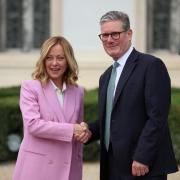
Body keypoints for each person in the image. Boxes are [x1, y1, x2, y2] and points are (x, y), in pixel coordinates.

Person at [77, 11, 178, 180]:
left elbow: (157, 117)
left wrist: (143, 156)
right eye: (105, 35)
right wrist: (90, 131)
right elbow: (112, 118)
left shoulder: (151, 66)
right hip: (113, 167)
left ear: (129, 34)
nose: (109, 39)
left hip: (143, 167)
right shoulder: (106, 76)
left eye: (115, 34)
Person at [12, 36, 87, 180]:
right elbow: (33, 125)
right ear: (43, 60)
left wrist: (85, 132)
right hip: (37, 169)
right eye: (49, 58)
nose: (54, 63)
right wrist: (72, 129)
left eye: (60, 58)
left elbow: (78, 129)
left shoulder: (78, 91)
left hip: (69, 169)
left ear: (68, 61)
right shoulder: (30, 87)